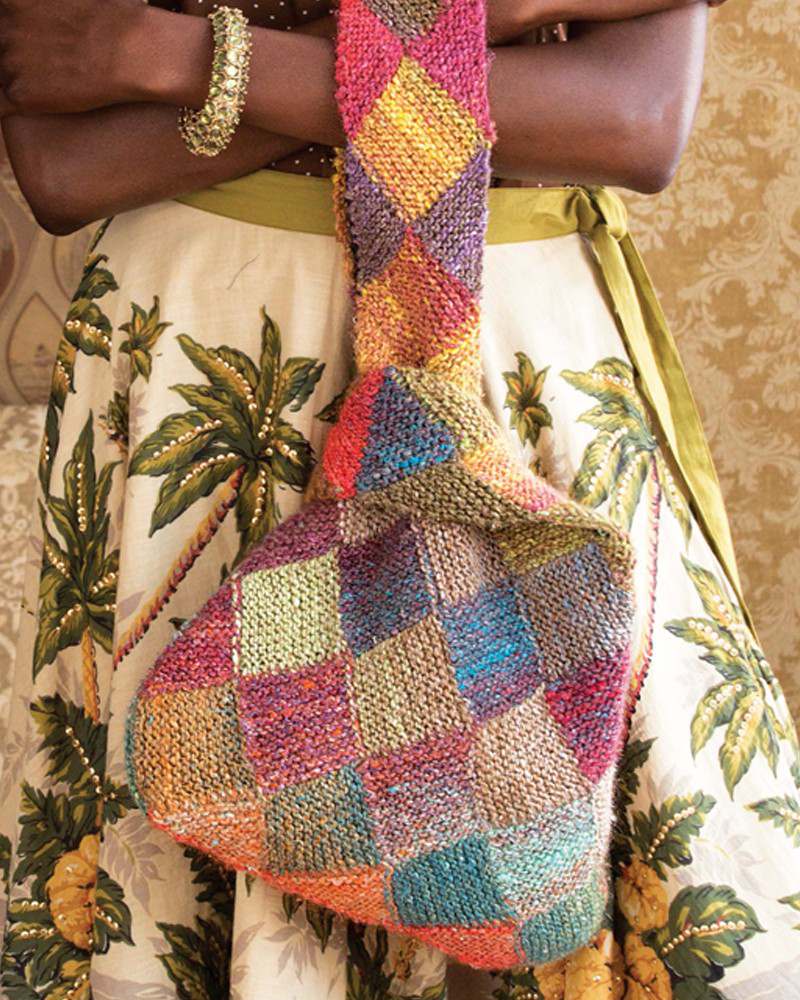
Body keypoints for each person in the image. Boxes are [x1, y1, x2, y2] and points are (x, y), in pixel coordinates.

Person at [0, 0, 798, 997]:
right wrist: (449, 28)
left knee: (585, 821)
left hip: (506, 347)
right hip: (205, 343)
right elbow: (68, 165)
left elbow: (632, 120)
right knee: (205, 808)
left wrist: (179, 56)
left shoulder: (172, 53)